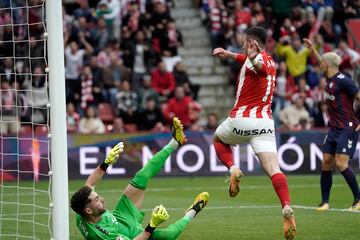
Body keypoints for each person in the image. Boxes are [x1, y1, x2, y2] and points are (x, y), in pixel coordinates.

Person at [212, 26, 296, 240]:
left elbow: (259, 68)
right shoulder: (271, 60)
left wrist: (252, 58)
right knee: (274, 169)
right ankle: (286, 206)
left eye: (244, 41)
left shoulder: (257, 60)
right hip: (266, 124)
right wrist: (230, 54)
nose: (242, 44)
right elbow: (253, 63)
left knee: (218, 138)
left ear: (251, 42)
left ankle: (233, 168)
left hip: (242, 119)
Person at [71, 118, 209, 239]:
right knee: (168, 236)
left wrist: (105, 163)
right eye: (97, 200)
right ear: (88, 211)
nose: (102, 199)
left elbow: (90, 183)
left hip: (120, 215)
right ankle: (192, 212)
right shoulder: (101, 235)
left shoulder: (81, 209)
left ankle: (175, 142)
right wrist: (152, 225)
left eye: (98, 197)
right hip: (132, 235)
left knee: (141, 176)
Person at [303, 38, 360, 211]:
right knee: (326, 161)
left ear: (328, 65)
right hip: (334, 128)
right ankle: (325, 202)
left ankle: (358, 199)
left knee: (341, 163)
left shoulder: (344, 80)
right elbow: (322, 60)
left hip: (348, 127)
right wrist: (313, 49)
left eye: (322, 63)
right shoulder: (329, 76)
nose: (320, 64)